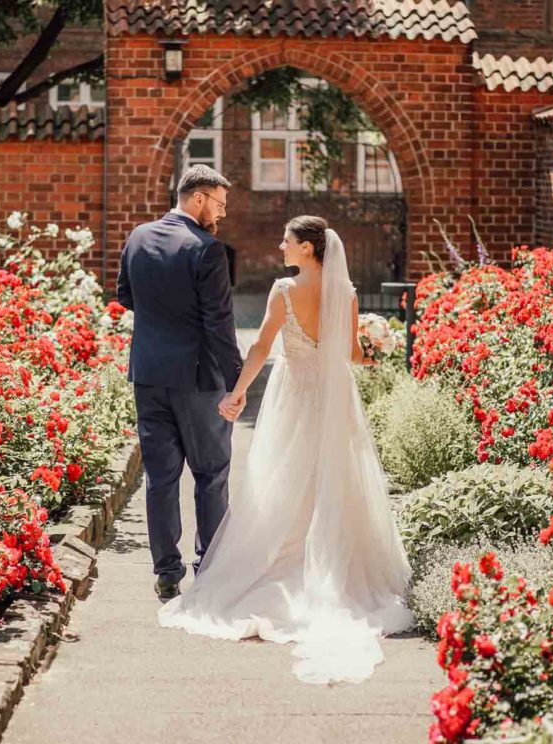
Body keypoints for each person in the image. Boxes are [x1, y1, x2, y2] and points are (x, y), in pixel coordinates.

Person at [158, 215, 415, 685]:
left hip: (294, 395)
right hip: (334, 399)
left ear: (308, 250)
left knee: (284, 480)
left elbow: (260, 348)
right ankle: (334, 569)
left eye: (288, 241)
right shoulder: (347, 293)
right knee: (333, 478)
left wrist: (236, 393)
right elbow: (354, 355)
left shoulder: (283, 291)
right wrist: (375, 338)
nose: (280, 246)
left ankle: (284, 562)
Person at [116, 165, 245, 602]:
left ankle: (166, 573)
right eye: (219, 205)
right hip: (198, 379)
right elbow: (219, 325)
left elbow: (125, 297)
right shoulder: (207, 250)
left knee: (160, 476)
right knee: (211, 474)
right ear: (198, 199)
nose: (221, 215)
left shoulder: (137, 237)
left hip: (148, 374)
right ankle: (208, 568)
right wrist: (238, 382)